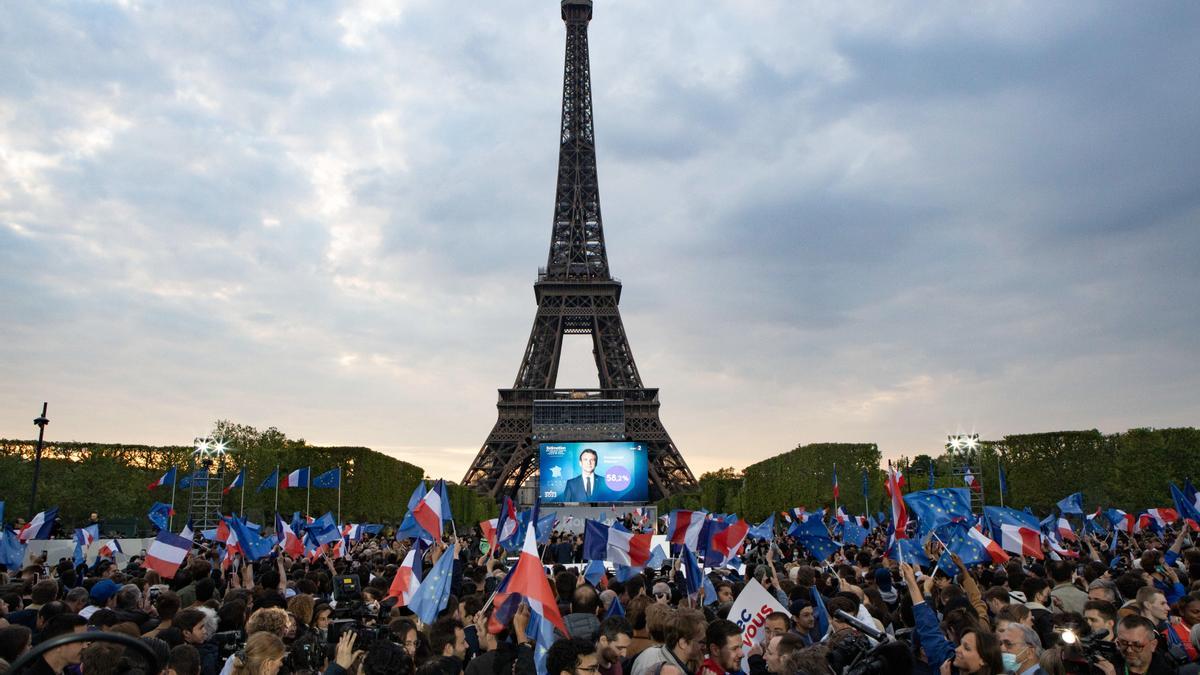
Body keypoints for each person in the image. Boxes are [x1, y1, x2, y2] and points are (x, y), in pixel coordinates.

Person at [630, 609, 704, 675]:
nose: (704, 646)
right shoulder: (667, 671)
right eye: (700, 642)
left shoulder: (649, 652)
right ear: (683, 643)